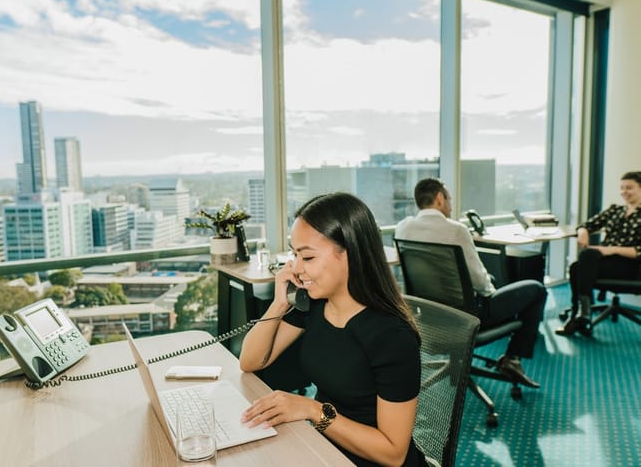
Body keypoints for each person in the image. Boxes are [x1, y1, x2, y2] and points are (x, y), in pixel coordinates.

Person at [239, 192, 427, 467]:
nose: (296, 269)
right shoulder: (315, 305)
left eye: (308, 257)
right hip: (324, 447)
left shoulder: (391, 336)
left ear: (349, 254)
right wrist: (279, 304)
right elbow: (251, 361)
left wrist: (313, 410)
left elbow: (393, 453)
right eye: (294, 255)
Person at [395, 177, 546, 388]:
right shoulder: (456, 230)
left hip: (428, 316)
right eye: (449, 199)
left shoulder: (403, 228)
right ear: (439, 199)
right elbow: (481, 284)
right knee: (537, 290)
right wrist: (491, 290)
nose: (450, 205)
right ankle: (512, 358)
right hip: (467, 318)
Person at [555, 171, 641, 336]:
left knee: (579, 265)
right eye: (622, 188)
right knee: (578, 265)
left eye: (629, 188)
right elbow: (587, 224)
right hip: (606, 262)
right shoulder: (615, 210)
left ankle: (580, 315)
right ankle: (581, 314)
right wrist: (583, 231)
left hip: (631, 266)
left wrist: (612, 249)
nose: (624, 192)